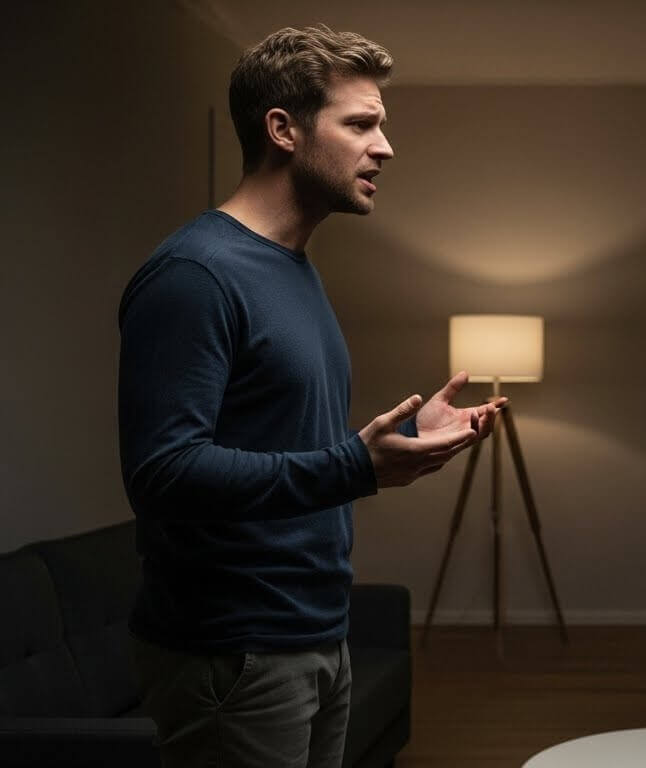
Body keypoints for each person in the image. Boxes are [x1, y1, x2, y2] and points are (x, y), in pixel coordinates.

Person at [117, 25, 506, 768]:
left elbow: (284, 441)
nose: (385, 147)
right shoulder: (195, 275)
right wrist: (354, 467)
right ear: (283, 130)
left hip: (315, 633)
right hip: (236, 652)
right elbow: (162, 473)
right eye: (360, 124)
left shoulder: (292, 267)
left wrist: (395, 440)